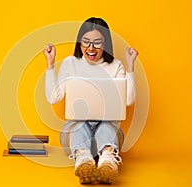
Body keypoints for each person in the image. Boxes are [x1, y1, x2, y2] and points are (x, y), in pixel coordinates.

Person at [43, 17, 138, 184]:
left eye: (97, 43)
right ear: (80, 43)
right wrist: (50, 64)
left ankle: (108, 158)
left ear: (105, 44)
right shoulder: (70, 63)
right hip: (75, 134)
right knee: (78, 124)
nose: (91, 48)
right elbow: (53, 97)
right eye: (86, 42)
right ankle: (83, 158)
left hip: (109, 133)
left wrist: (130, 66)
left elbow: (129, 100)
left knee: (108, 124)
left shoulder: (115, 66)